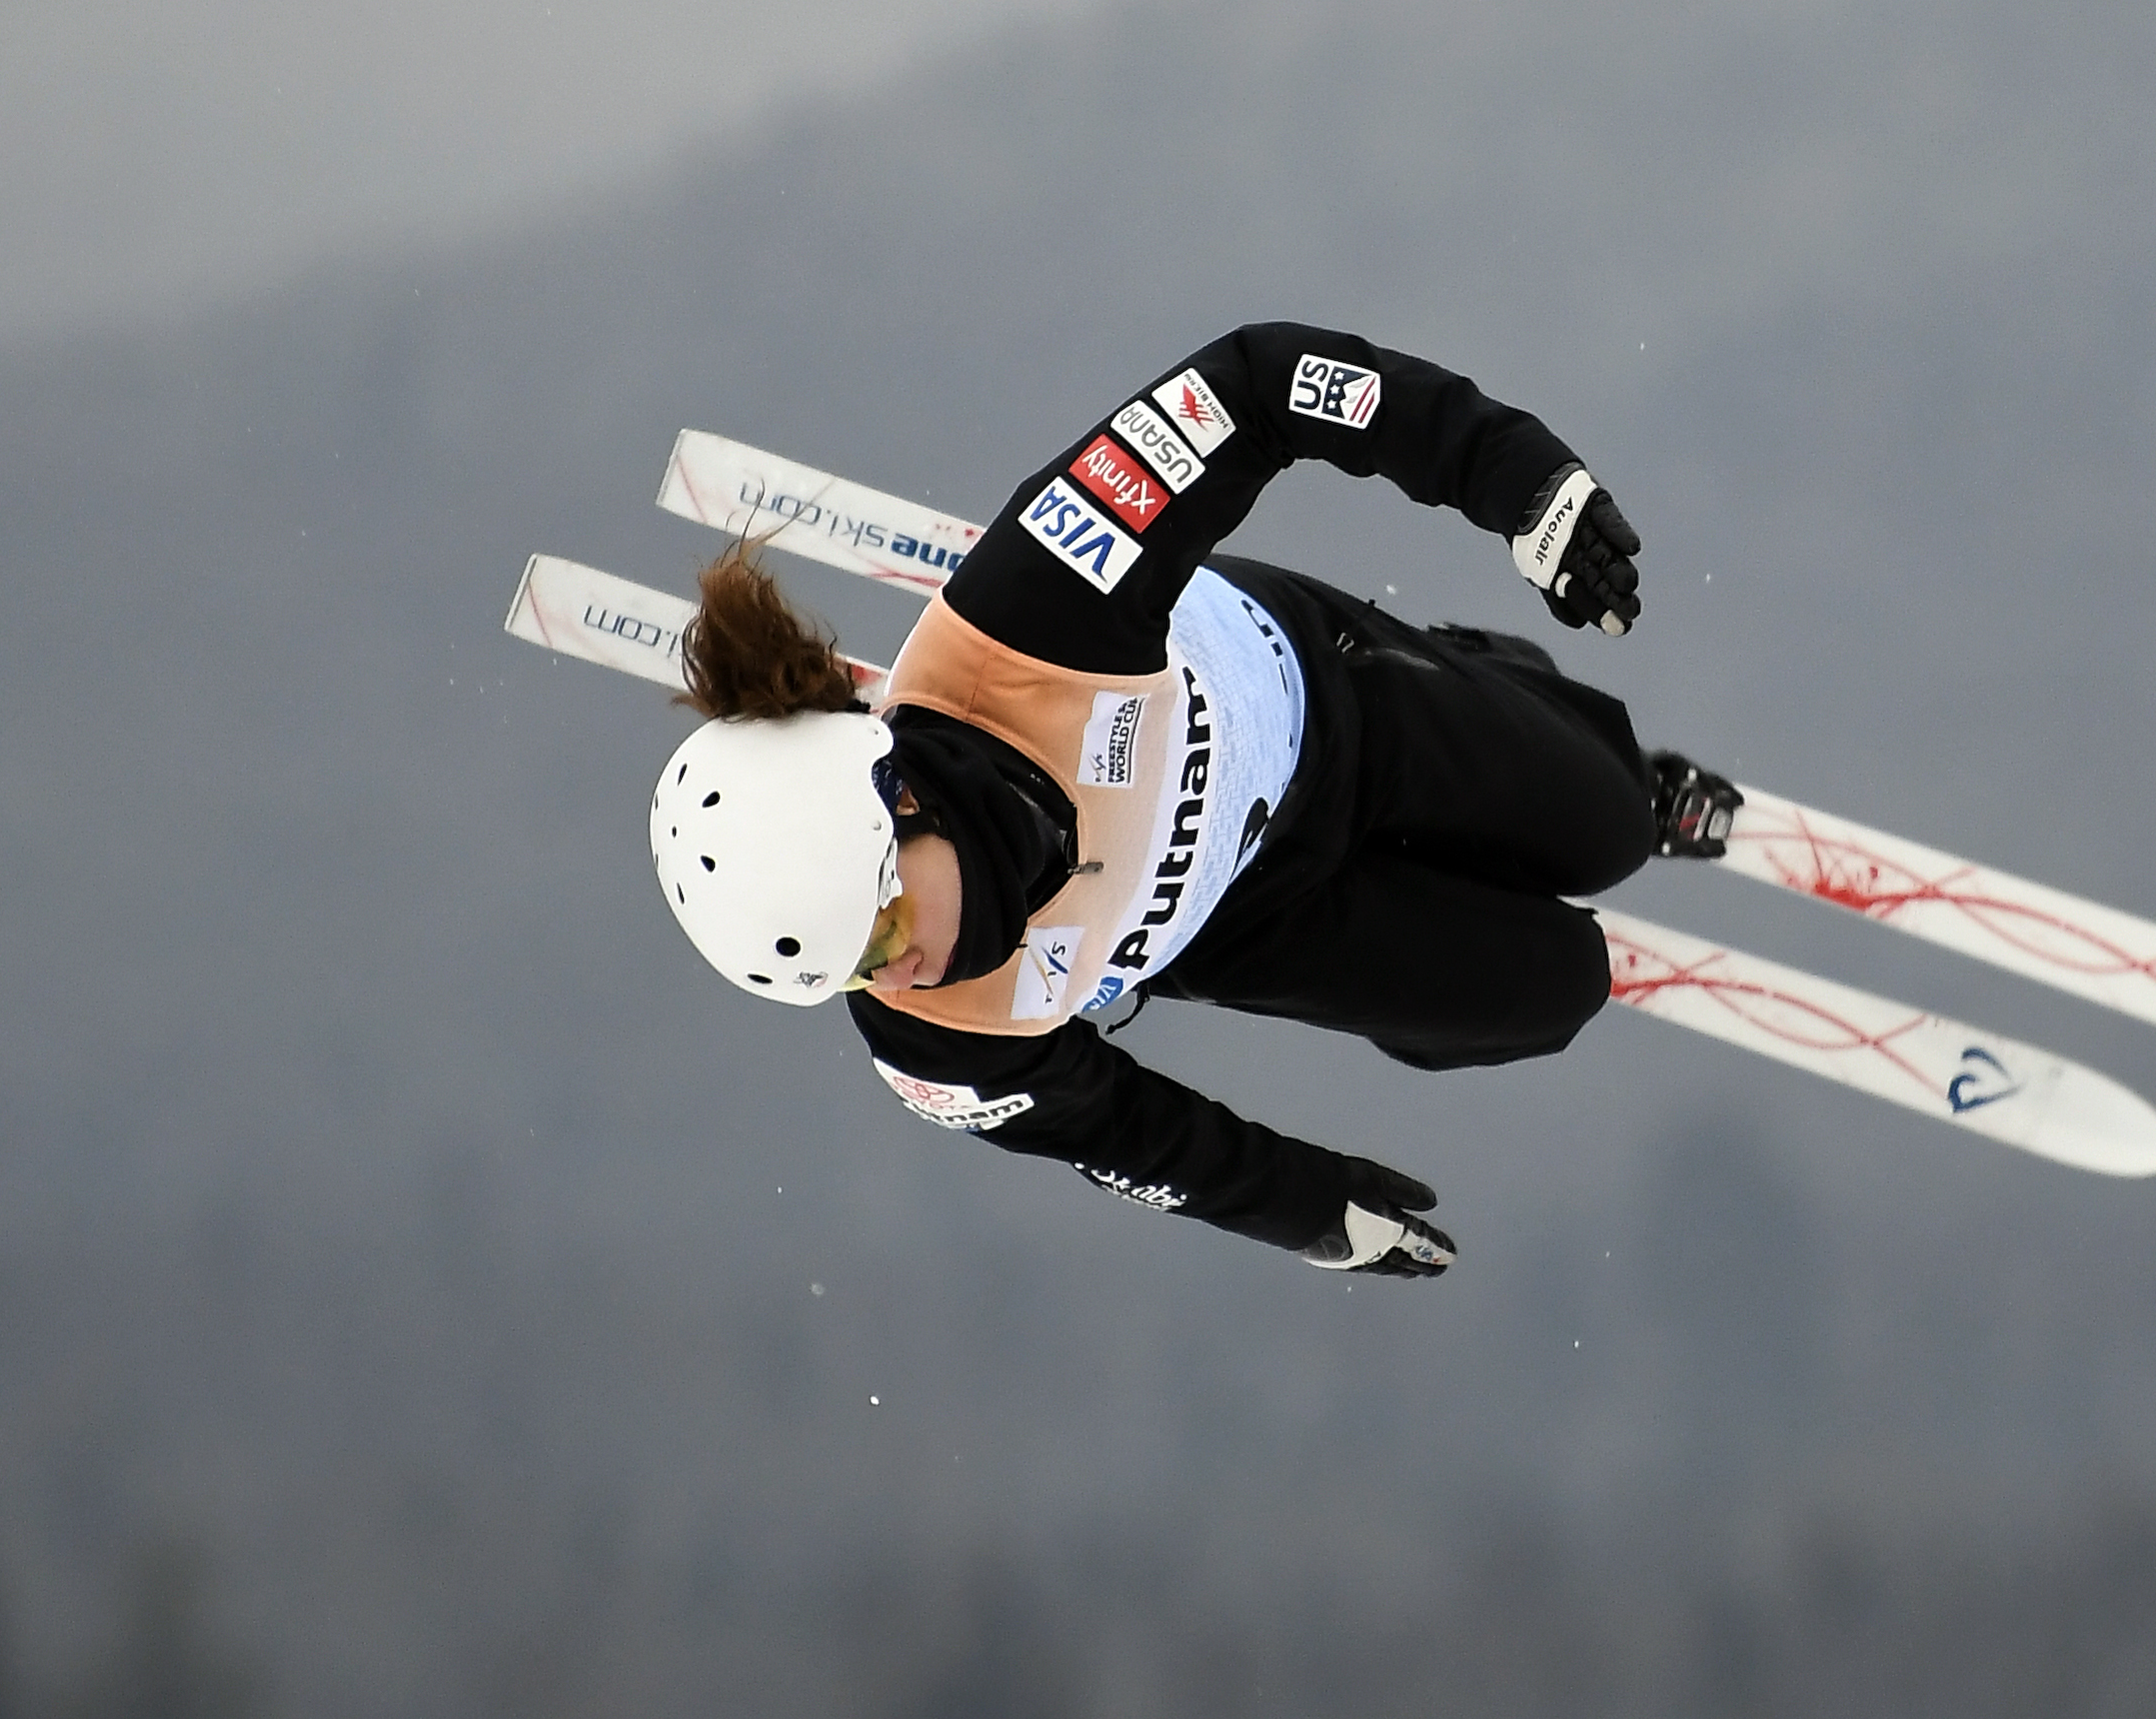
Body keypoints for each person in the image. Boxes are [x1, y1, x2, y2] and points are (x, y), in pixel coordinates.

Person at [648, 324, 1740, 1278]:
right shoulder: (936, 1047)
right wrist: (1307, 1210)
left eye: (883, 925)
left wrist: (1513, 480)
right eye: (858, 969)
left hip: (1332, 699)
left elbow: (1257, 385)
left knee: (1601, 827)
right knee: (1556, 989)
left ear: (901, 805)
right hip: (1246, 926)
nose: (900, 972)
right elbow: (1125, 1135)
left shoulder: (1033, 611)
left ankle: (1517, 693)